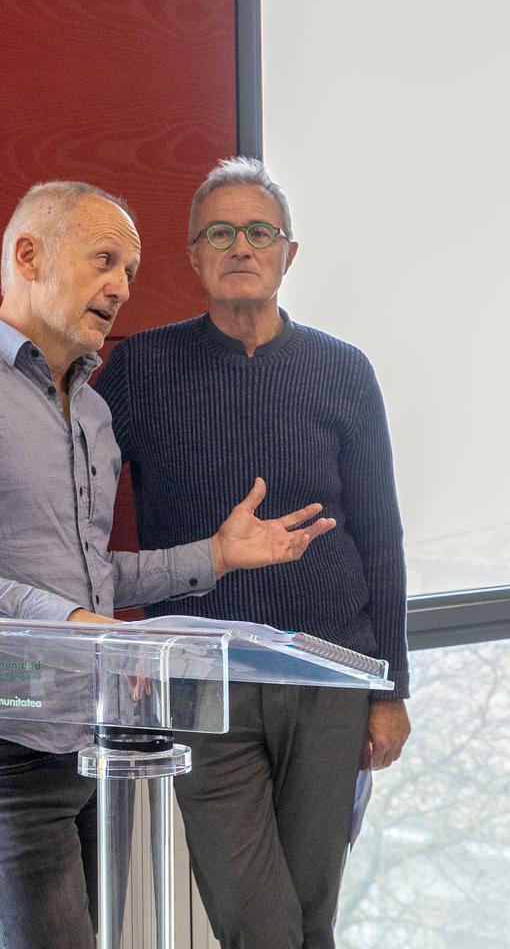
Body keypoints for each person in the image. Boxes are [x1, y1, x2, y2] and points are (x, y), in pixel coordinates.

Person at [0, 180, 336, 949]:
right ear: (29, 257)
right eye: (104, 261)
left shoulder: (91, 410)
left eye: (130, 270)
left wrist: (215, 557)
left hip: (89, 736)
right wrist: (65, 623)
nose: (121, 286)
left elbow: (93, 582)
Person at [98, 157, 410, 949]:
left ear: (289, 254)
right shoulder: (138, 369)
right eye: (220, 234)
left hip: (329, 673)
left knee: (311, 912)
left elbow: (381, 539)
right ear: (193, 256)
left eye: (260, 232)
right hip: (201, 677)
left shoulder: (344, 371)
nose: (241, 246)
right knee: (257, 921)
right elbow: (75, 512)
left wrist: (390, 689)